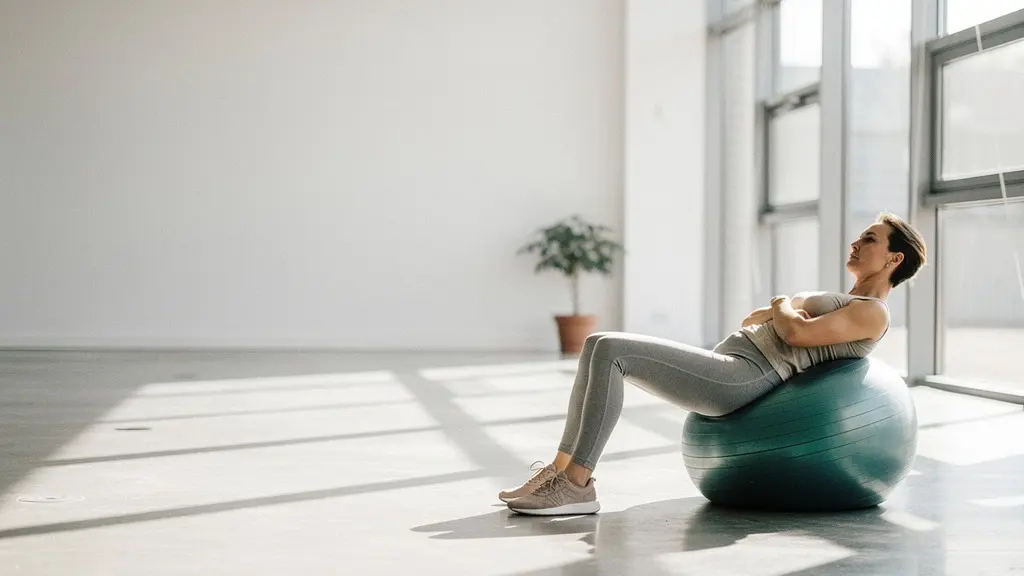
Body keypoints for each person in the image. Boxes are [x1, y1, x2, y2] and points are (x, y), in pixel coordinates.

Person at [498, 212, 928, 516]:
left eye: (870, 239)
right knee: (597, 344)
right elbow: (755, 319)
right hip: (734, 360)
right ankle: (558, 473)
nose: (856, 242)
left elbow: (794, 332)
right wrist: (787, 310)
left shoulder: (874, 312)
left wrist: (784, 303)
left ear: (894, 260)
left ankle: (578, 484)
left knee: (611, 349)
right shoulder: (849, 301)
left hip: (743, 377)